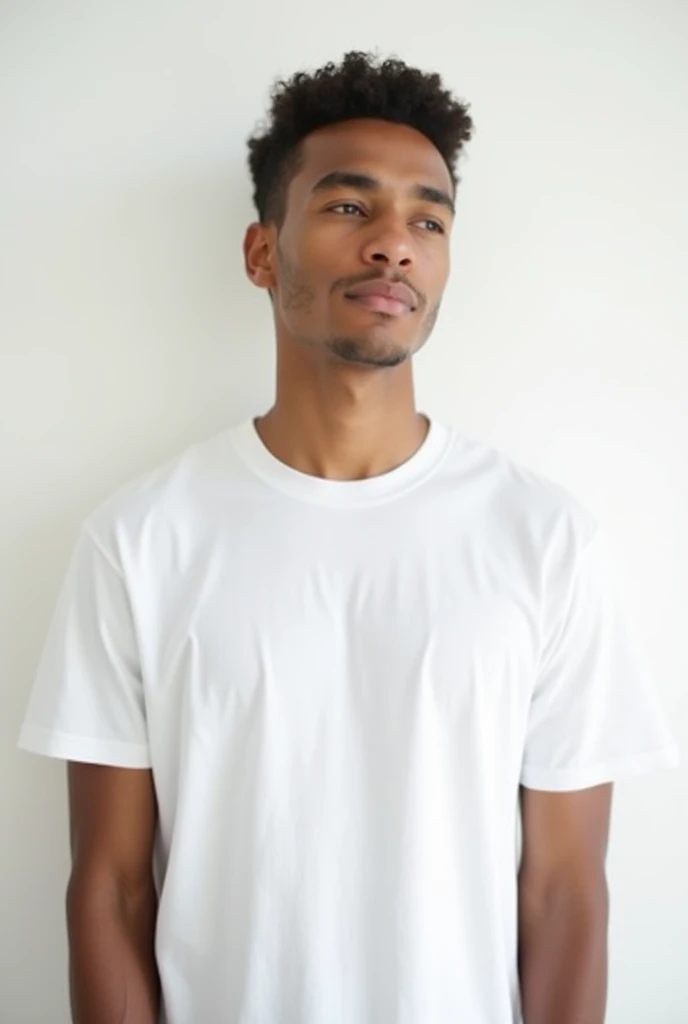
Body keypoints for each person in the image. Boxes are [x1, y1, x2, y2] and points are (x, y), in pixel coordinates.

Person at [18, 50, 679, 1024]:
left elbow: (566, 891)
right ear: (260, 253)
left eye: (427, 218)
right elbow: (111, 890)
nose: (392, 244)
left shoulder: (542, 538)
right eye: (345, 207)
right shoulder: (141, 540)